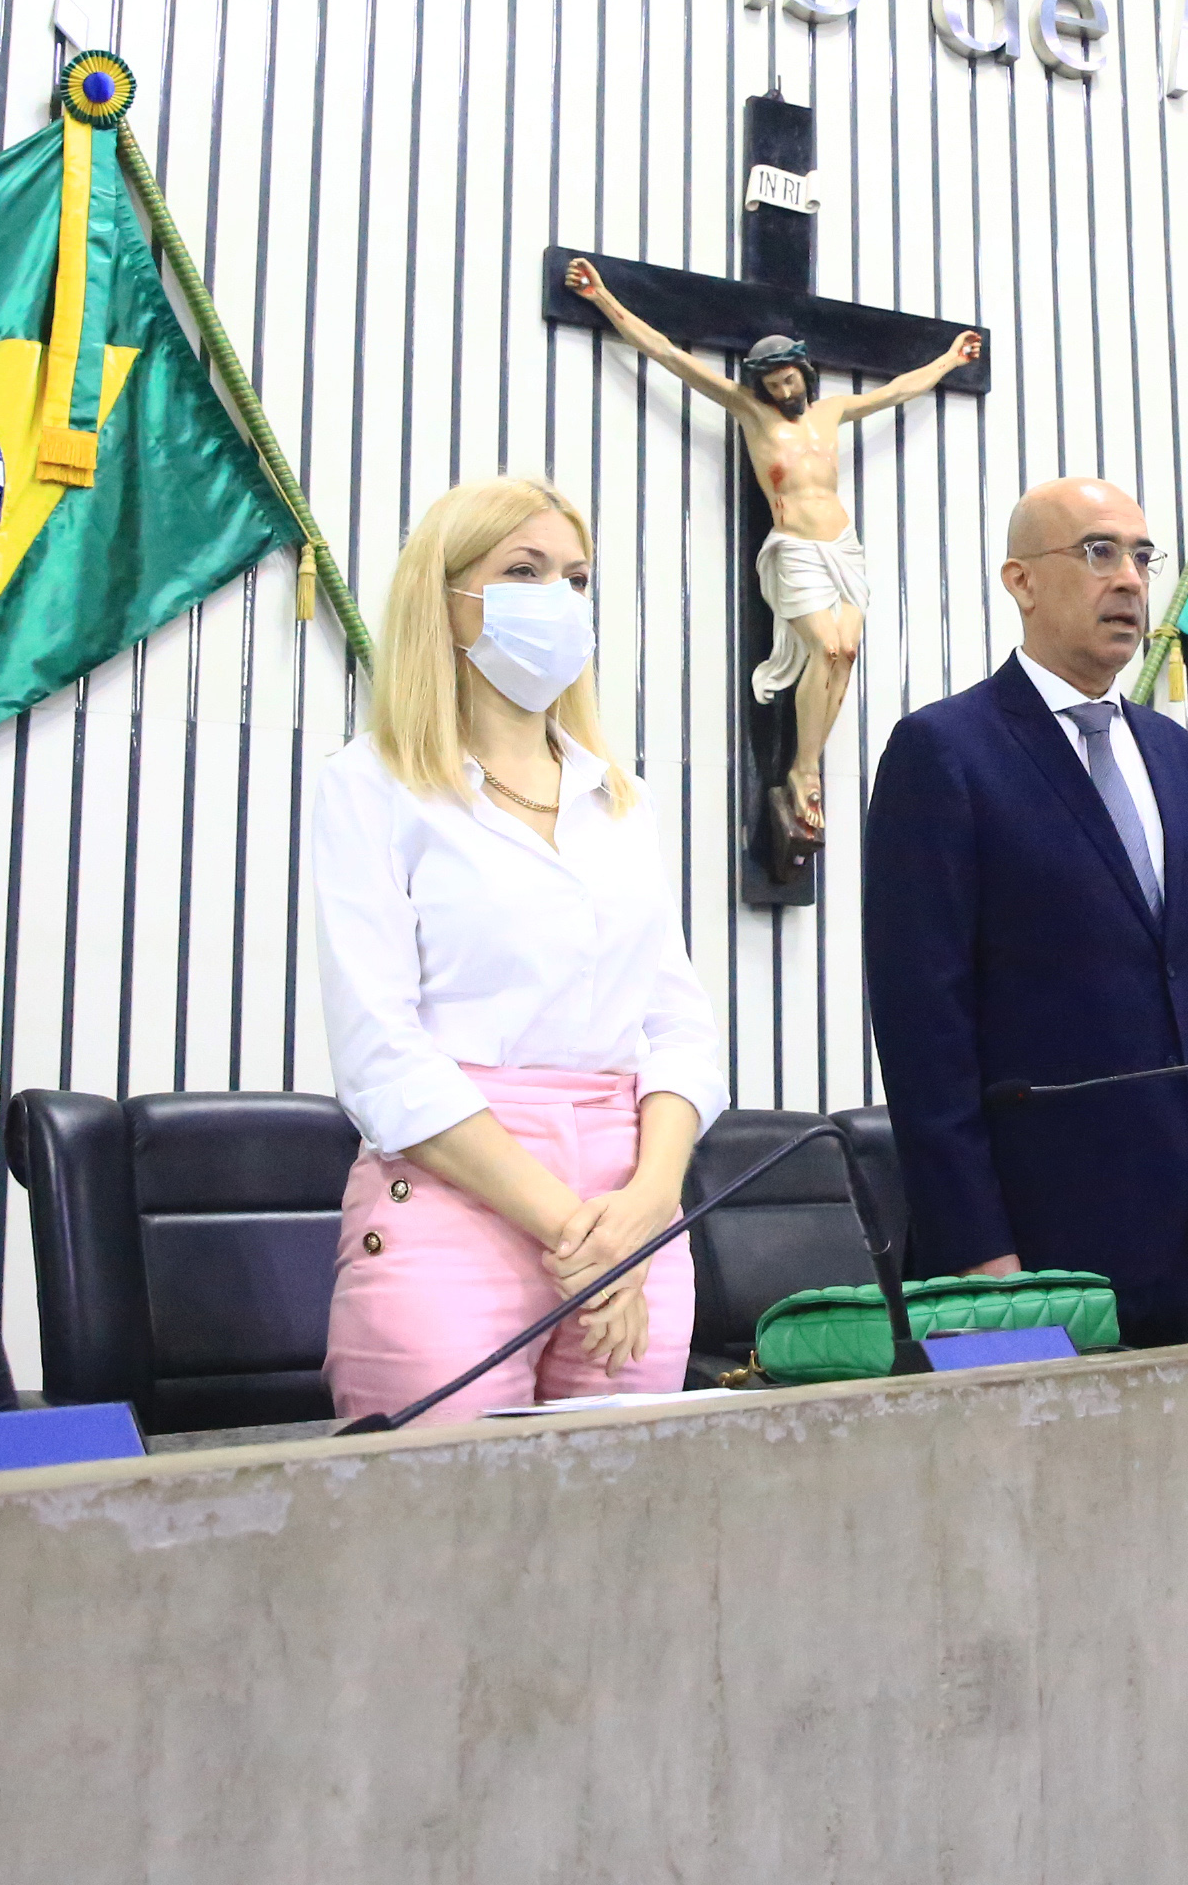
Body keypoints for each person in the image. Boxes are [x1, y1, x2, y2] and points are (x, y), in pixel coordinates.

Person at [308, 478, 727, 1422]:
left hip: (634, 1209)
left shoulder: (621, 800)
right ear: (448, 597)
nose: (560, 599)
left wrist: (647, 1207)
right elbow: (381, 1053)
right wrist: (582, 1235)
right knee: (448, 1501)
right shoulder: (371, 786)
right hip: (460, 1197)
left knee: (627, 1502)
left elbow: (679, 1030)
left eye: (576, 578)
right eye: (524, 572)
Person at [861, 476, 1188, 1346]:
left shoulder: (1184, 761)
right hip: (1031, 1246)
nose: (1129, 578)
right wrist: (976, 1246)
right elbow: (923, 1029)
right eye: (1098, 552)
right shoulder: (945, 752)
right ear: (1020, 581)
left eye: (1141, 556)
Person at [562, 256, 981, 845]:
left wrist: (948, 360)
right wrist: (604, 298)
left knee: (846, 653)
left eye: (790, 380)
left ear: (804, 373)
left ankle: (809, 764)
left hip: (844, 547)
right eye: (774, 384)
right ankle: (804, 768)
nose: (784, 391)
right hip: (796, 548)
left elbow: (897, 391)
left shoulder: (831, 412)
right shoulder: (751, 411)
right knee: (826, 647)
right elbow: (669, 355)